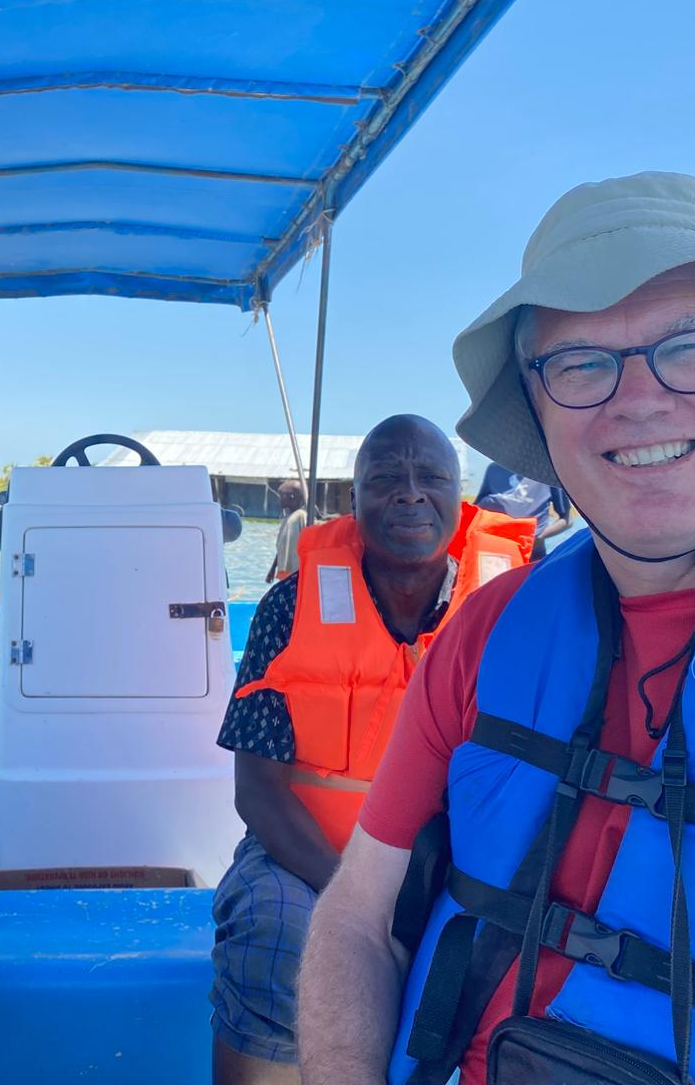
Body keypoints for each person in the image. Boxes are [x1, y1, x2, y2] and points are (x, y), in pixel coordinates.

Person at [299, 172, 695, 1085]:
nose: (637, 400)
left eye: (693, 346)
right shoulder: (487, 632)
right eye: (581, 364)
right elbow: (359, 917)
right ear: (537, 406)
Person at [210, 415, 535, 1084]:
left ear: (460, 495)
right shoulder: (289, 605)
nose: (410, 493)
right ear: (352, 502)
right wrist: (354, 903)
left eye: (432, 477)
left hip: (459, 869)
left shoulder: (519, 612)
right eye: (385, 478)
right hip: (306, 859)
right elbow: (257, 791)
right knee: (276, 933)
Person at [473, 461, 572, 558]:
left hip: (531, 553)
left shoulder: (547, 474)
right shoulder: (494, 469)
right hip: (495, 551)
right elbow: (475, 510)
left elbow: (567, 520)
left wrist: (539, 537)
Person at [265, 480, 308, 582]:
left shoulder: (301, 517)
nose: (279, 500)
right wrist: (273, 568)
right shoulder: (287, 518)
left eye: (282, 496)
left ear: (292, 497)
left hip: (296, 572)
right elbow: (282, 547)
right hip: (285, 572)